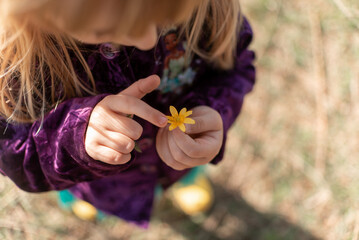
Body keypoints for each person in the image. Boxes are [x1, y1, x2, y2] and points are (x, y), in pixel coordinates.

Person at [0, 0, 255, 227]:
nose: (148, 41)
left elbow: (234, 66)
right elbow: (13, 152)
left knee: (186, 164)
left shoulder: (201, 7)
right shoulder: (18, 62)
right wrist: (73, 141)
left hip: (175, 159)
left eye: (164, 20)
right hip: (100, 183)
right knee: (88, 196)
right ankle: (79, 198)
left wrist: (213, 110)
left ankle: (185, 181)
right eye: (104, 32)